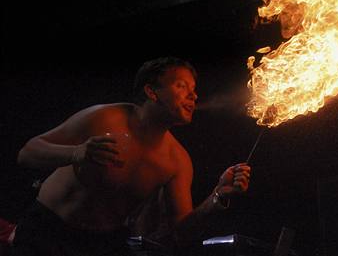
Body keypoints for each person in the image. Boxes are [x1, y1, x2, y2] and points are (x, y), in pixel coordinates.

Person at [12, 57, 251, 256]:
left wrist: (217, 197)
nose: (194, 96)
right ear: (151, 91)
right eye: (182, 86)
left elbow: (180, 232)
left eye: (194, 89)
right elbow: (27, 153)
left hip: (100, 245)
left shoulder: (177, 160)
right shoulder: (105, 117)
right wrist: (77, 153)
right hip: (46, 230)